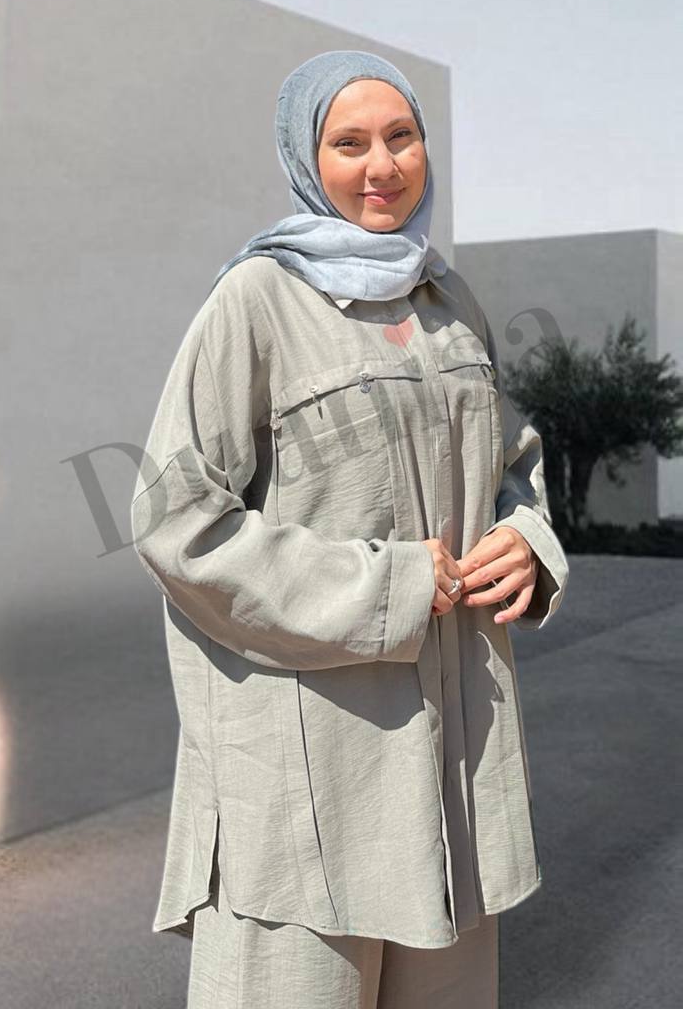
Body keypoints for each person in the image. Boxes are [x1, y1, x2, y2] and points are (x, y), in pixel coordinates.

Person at [130, 49, 569, 1008]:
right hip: (310, 773)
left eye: (401, 137)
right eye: (350, 143)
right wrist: (388, 587)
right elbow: (176, 518)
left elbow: (512, 468)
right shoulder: (256, 301)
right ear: (306, 157)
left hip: (454, 765)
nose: (382, 166)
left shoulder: (450, 303)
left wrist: (528, 546)